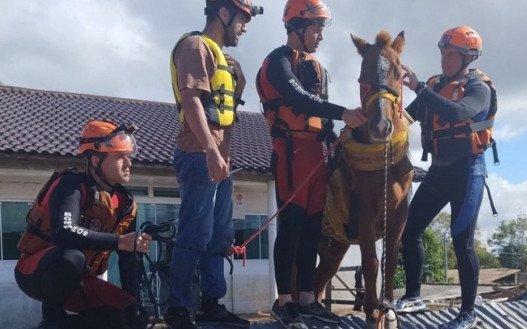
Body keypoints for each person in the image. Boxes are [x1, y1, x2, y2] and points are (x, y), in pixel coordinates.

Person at [255, 0, 367, 328]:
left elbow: (323, 118)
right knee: (290, 227)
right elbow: (298, 99)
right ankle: (284, 301)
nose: (320, 35)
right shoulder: (277, 61)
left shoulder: (319, 69)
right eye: (316, 28)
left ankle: (307, 298)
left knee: (311, 230)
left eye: (322, 28)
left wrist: (337, 145)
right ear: (297, 27)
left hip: (317, 153)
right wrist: (344, 111)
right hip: (289, 152)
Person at [164, 0, 263, 328]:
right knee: (196, 231)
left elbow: (227, 114)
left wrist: (223, 156)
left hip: (219, 161)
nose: (244, 27)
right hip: (198, 155)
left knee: (220, 234)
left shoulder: (225, 60)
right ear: (223, 13)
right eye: (242, 19)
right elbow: (192, 100)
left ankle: (211, 304)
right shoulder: (195, 46)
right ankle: (177, 309)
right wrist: (210, 151)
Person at [396, 25, 497, 329]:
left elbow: (460, 113)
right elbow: (405, 119)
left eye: (450, 53)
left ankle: (468, 312)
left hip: (468, 171)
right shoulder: (436, 85)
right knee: (410, 228)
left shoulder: (479, 87)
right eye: (442, 51)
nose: (444, 58)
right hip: (440, 170)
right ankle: (414, 295)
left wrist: (421, 89)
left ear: (468, 57)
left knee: (461, 241)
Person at [14, 120, 150, 329]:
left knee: (132, 315)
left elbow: (128, 261)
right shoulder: (72, 185)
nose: (128, 163)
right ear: (95, 160)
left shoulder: (126, 204)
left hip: (81, 281)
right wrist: (120, 241)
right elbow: (64, 232)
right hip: (37, 272)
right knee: (72, 256)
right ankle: (51, 321)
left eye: (128, 156)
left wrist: (134, 304)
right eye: (120, 157)